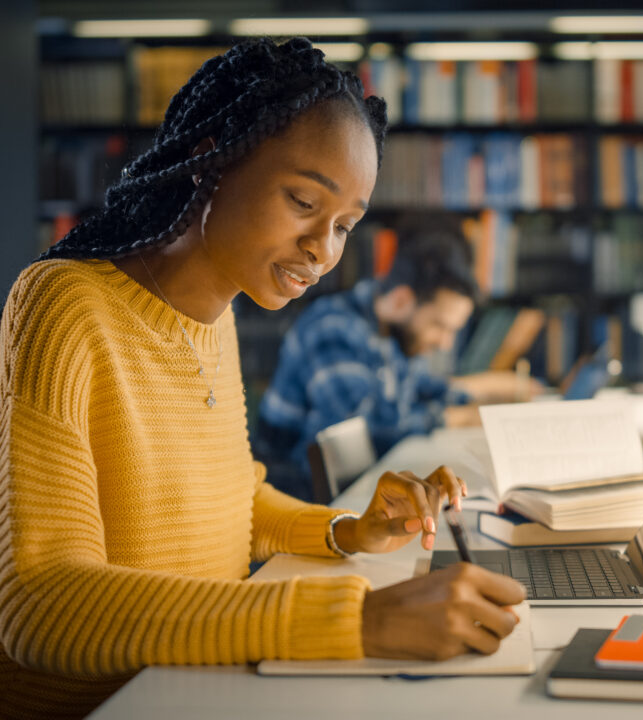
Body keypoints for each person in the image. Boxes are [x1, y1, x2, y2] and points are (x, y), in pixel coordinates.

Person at [0, 38, 524, 720]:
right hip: (109, 704)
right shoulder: (65, 305)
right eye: (304, 201)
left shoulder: (216, 317)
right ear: (208, 158)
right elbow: (43, 605)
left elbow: (232, 501)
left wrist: (348, 531)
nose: (323, 249)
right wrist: (353, 620)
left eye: (344, 225)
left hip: (194, 686)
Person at [255, 217, 541, 500]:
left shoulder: (392, 331)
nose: (445, 343)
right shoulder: (332, 329)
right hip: (291, 497)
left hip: (353, 488)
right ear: (403, 299)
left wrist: (492, 390)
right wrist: (460, 418)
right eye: (440, 326)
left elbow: (419, 387)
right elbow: (364, 430)